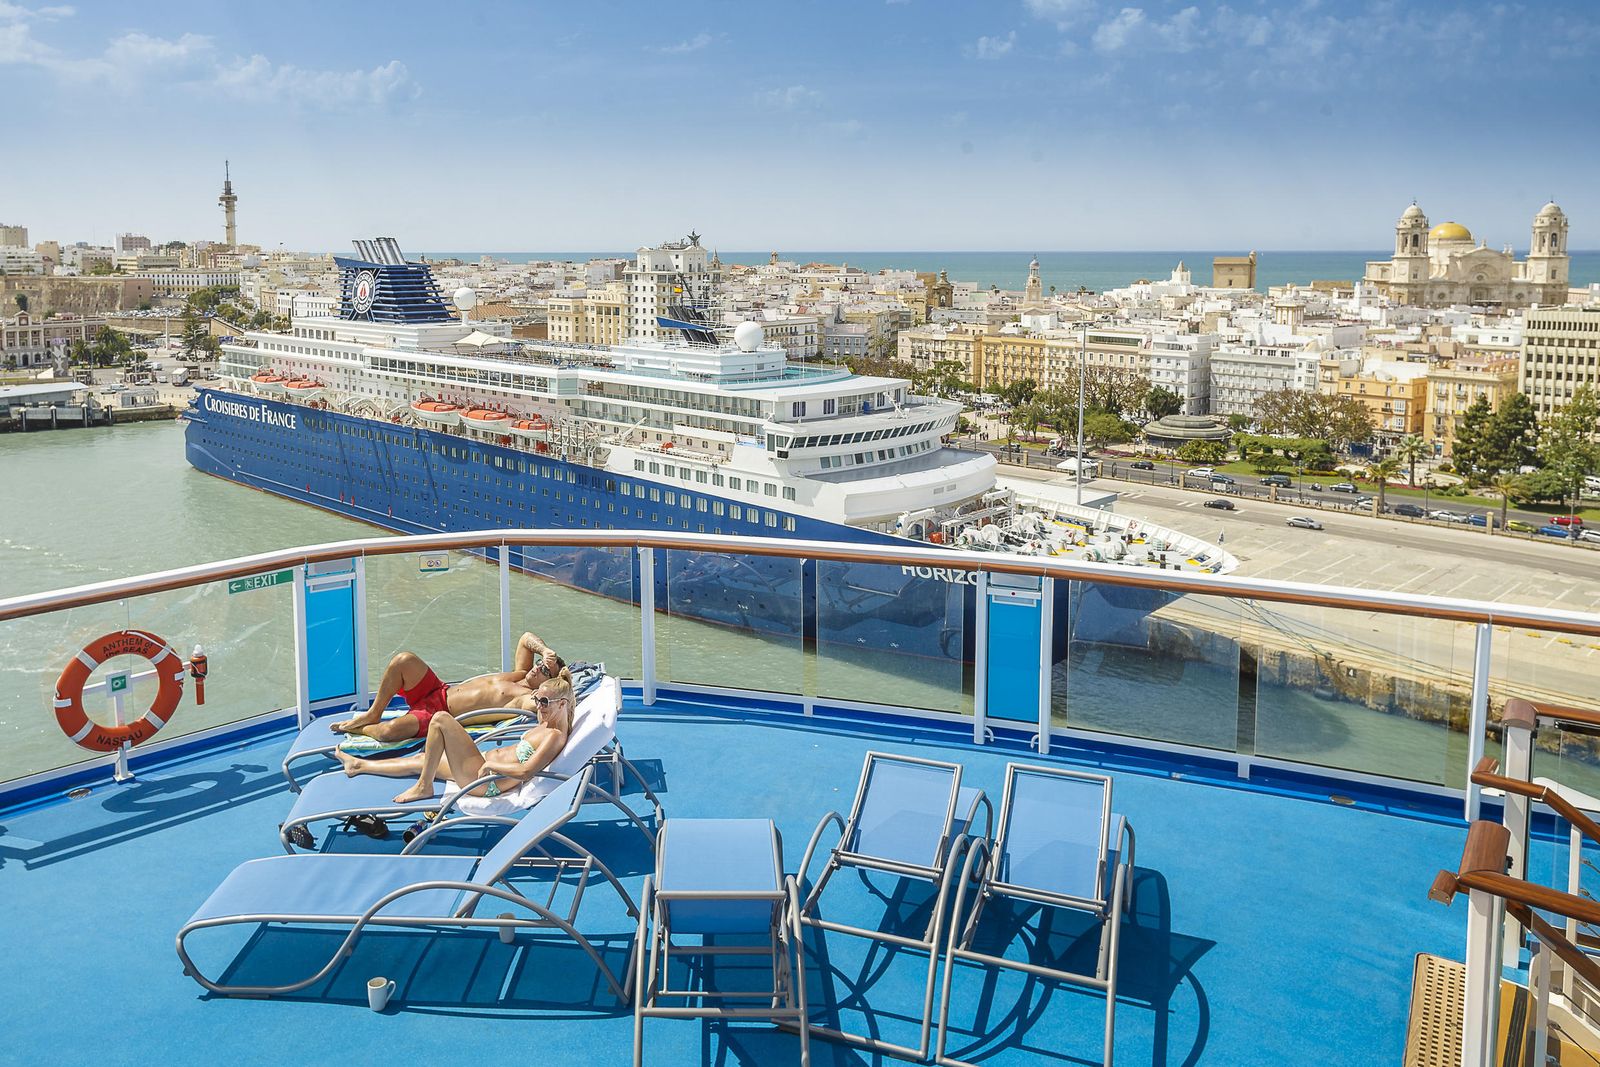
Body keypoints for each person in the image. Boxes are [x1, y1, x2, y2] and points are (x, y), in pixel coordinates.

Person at [336, 668, 575, 804]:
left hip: (486, 781)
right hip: (482, 767)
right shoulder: (548, 721)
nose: (539, 706)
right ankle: (359, 765)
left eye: (544, 702)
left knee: (440, 719)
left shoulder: (554, 736)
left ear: (562, 704)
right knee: (424, 759)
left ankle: (424, 787)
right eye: (537, 699)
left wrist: (491, 764)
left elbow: (526, 772)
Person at [330, 631, 563, 741]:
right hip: (438, 690)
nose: (538, 667)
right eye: (540, 663)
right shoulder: (521, 672)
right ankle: (373, 713)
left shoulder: (527, 697)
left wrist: (563, 680)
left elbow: (553, 700)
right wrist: (544, 651)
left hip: (439, 713)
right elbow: (525, 638)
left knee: (389, 732)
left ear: (549, 682)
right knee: (404, 660)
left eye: (544, 670)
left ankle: (361, 730)